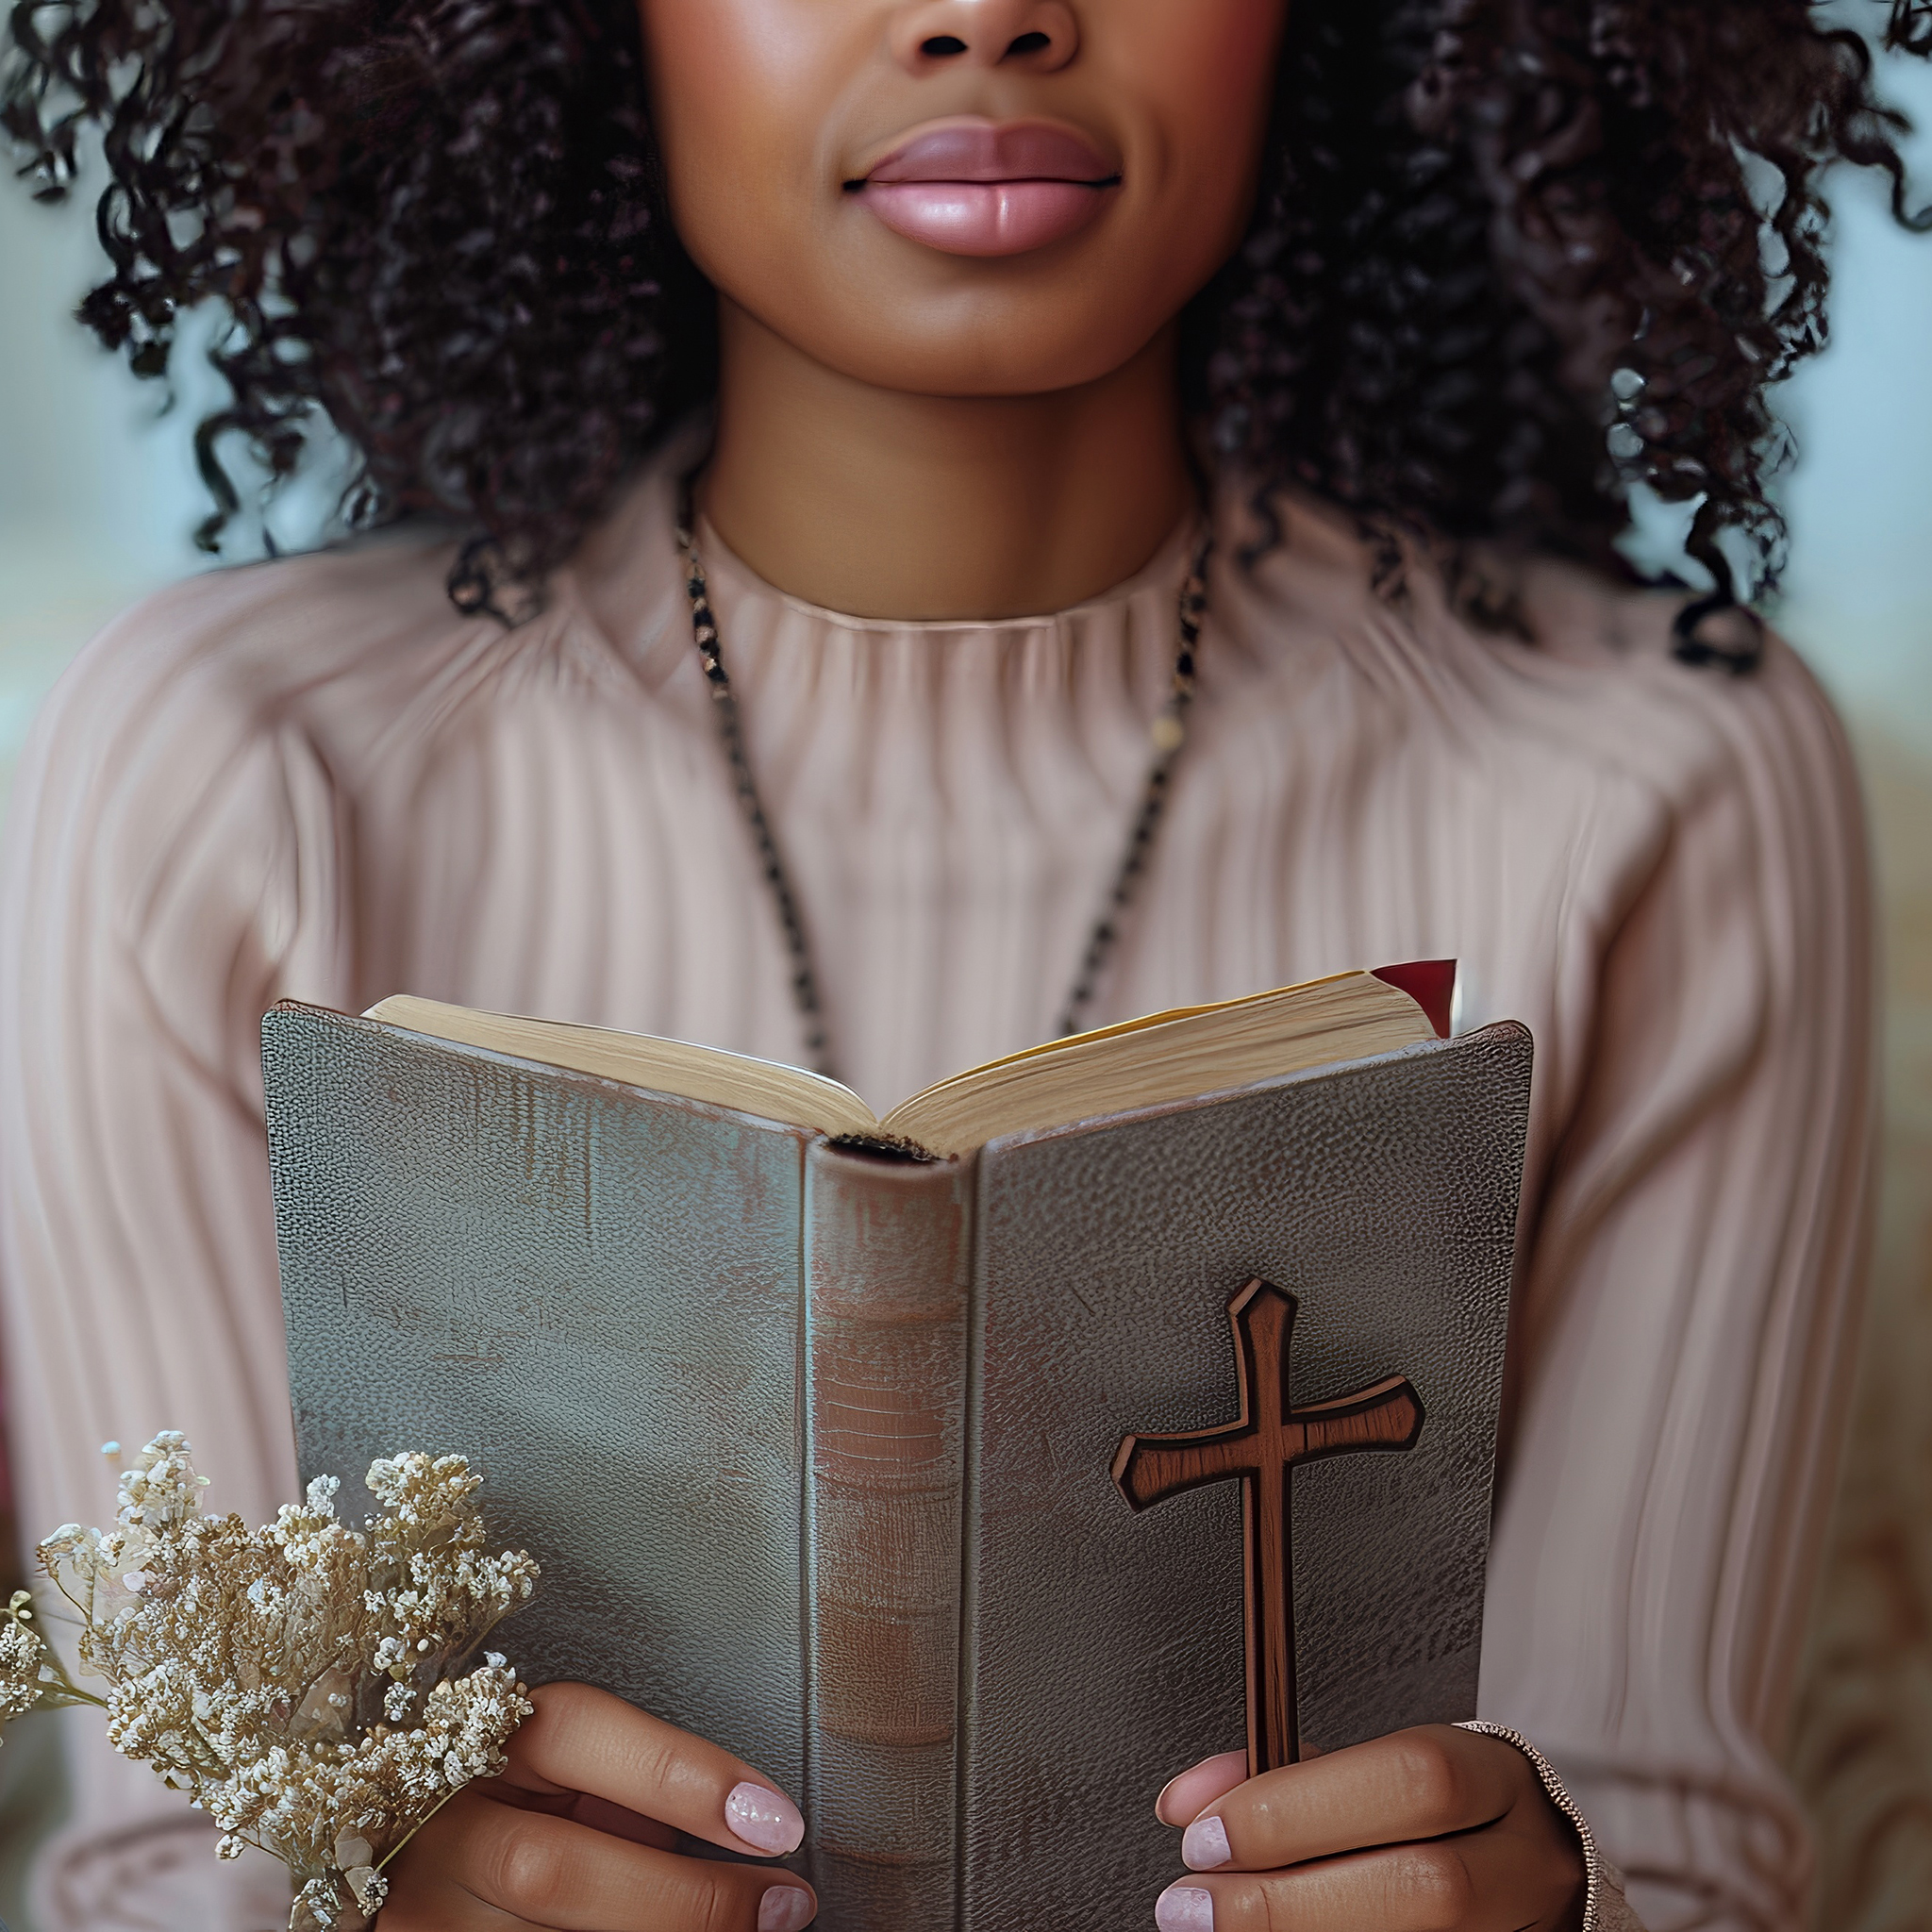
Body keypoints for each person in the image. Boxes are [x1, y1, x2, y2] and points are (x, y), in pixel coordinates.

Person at [0, 0, 1920, 1926]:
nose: (981, 10)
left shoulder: (1659, 788)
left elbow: (1677, 1841)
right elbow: (167, 1858)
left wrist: (1558, 1894)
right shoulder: (234, 777)